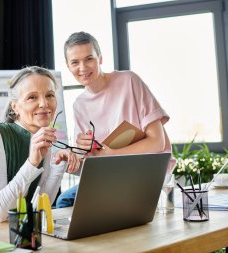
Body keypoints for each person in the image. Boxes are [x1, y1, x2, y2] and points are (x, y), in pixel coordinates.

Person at [56, 31, 175, 208]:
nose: (83, 68)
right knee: (63, 201)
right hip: (110, 177)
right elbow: (89, 162)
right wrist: (80, 151)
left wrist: (110, 153)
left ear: (100, 58)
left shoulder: (129, 81)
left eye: (89, 59)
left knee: (73, 202)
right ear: (68, 66)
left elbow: (157, 142)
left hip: (145, 173)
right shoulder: (79, 105)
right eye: (75, 62)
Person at [0, 66, 81, 222]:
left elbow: (38, 205)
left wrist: (58, 166)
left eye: (49, 95)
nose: (44, 104)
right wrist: (32, 162)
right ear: (15, 106)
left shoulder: (44, 137)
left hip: (20, 230)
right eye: (32, 97)